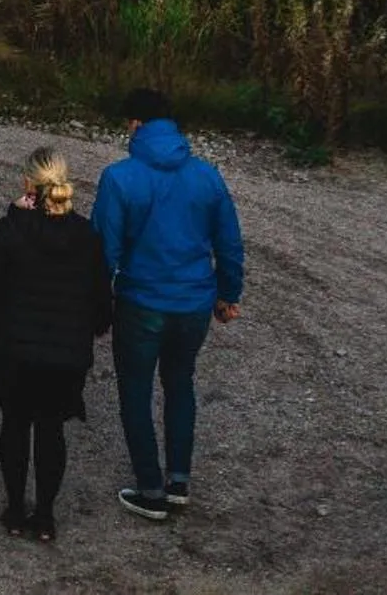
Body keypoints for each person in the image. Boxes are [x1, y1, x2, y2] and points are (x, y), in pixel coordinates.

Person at [92, 86, 246, 522]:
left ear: (136, 124)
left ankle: (150, 488)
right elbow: (229, 244)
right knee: (181, 384)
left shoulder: (119, 178)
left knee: (136, 391)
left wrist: (98, 307)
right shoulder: (207, 175)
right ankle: (179, 480)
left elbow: (105, 250)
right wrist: (228, 294)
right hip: (194, 304)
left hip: (141, 303)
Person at [0, 147, 113, 544]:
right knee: (50, 430)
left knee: (14, 425)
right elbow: (100, 297)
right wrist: (96, 326)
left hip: (15, 350)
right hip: (65, 355)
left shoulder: (7, 232)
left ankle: (14, 508)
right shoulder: (87, 236)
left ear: (27, 183)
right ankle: (44, 515)